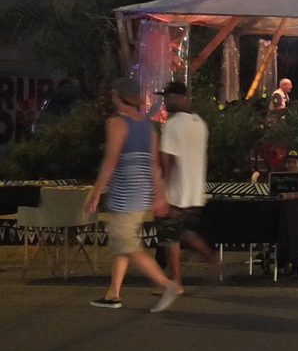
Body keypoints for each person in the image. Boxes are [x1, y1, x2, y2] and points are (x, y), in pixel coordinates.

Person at [86, 78, 179, 310]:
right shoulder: (148, 126)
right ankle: (113, 293)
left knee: (127, 243)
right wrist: (159, 195)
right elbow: (154, 166)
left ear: (119, 97)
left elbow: (111, 160)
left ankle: (167, 284)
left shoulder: (117, 123)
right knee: (122, 242)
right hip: (142, 193)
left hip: (125, 193)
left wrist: (96, 193)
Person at [155, 82, 219, 294]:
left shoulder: (172, 125)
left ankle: (176, 282)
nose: (165, 102)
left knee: (170, 237)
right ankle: (212, 258)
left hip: (176, 192)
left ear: (180, 97)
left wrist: (162, 189)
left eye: (168, 97)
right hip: (194, 191)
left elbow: (169, 160)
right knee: (187, 233)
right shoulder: (199, 123)